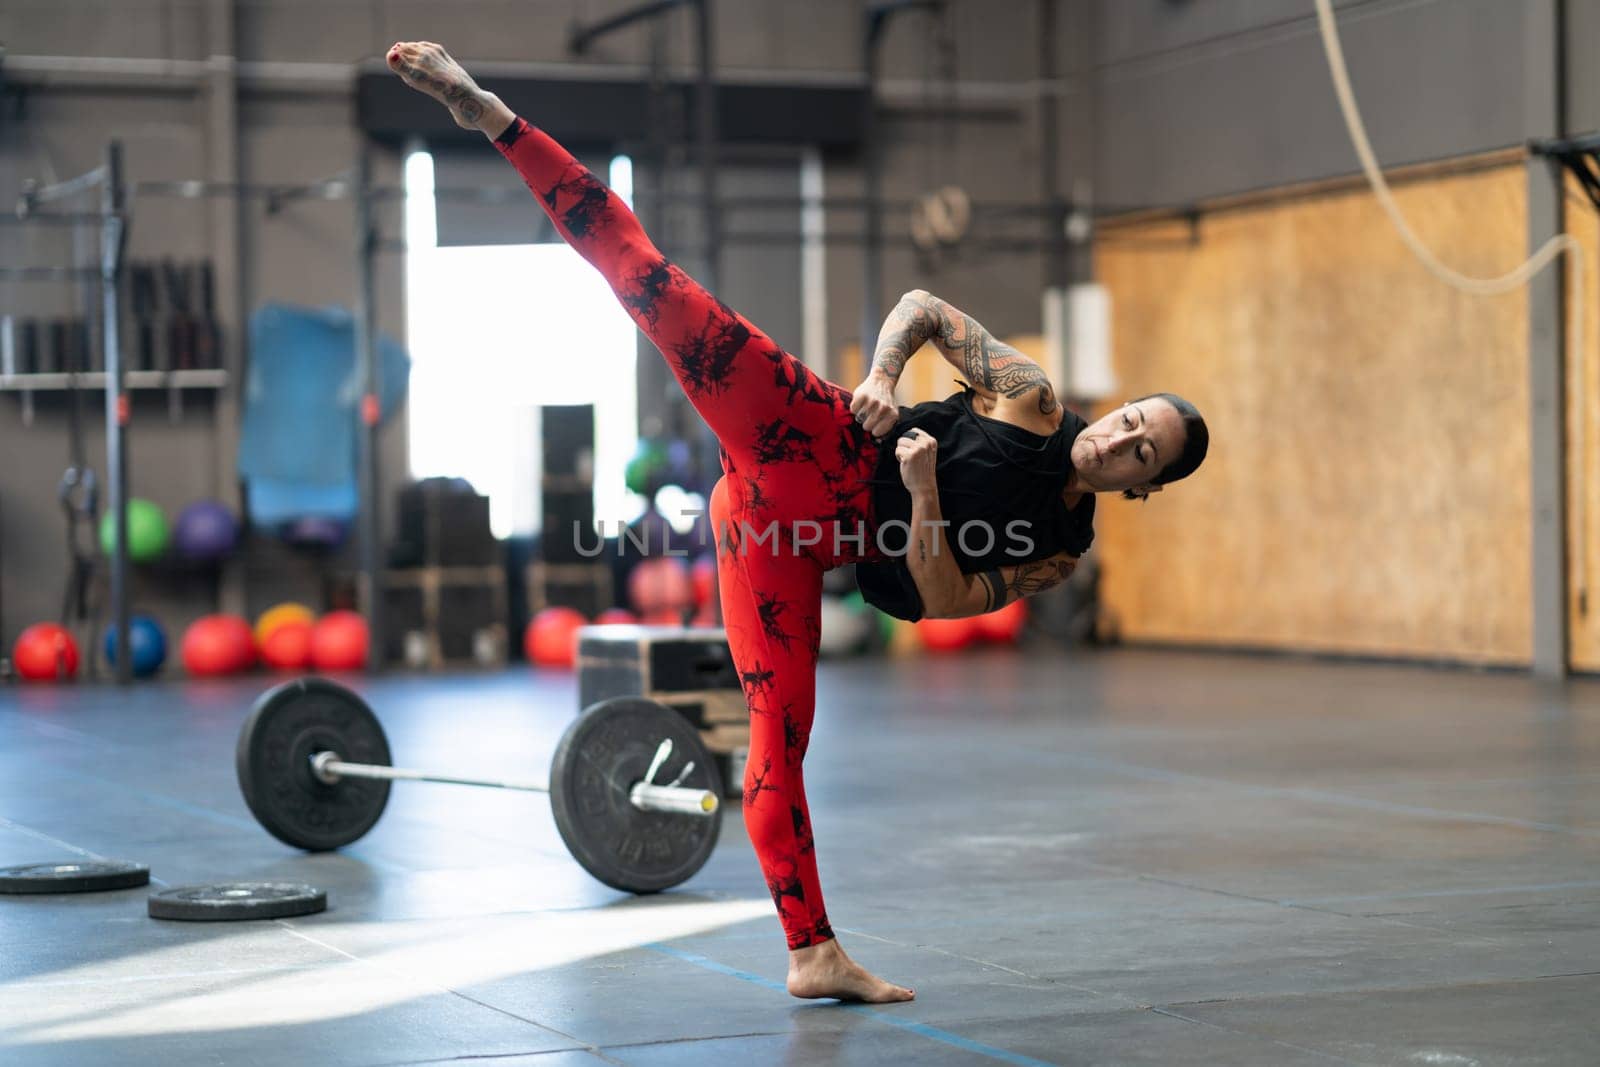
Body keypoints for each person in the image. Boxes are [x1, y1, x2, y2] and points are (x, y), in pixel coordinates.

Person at [386, 41, 1208, 1003]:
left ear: (1143, 486)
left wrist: (931, 496)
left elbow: (943, 601)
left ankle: (812, 951)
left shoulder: (1060, 552)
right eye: (1129, 419)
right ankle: (490, 116)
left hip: (781, 538)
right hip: (811, 437)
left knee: (780, 739)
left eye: (1142, 451)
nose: (1119, 440)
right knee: (652, 287)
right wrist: (883, 377)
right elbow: (923, 305)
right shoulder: (1028, 394)